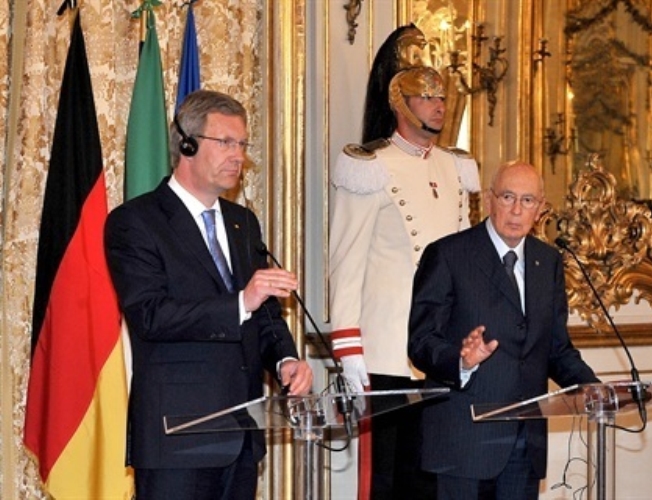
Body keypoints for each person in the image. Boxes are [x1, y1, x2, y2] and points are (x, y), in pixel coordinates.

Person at [104, 89, 313, 499]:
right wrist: (240, 302)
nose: (238, 156)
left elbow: (264, 313)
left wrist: (285, 360)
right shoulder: (136, 221)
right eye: (226, 142)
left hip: (241, 437)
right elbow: (150, 315)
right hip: (177, 439)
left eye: (242, 144)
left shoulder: (243, 223)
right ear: (187, 145)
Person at [329, 65, 480, 499]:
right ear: (400, 104)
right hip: (386, 350)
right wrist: (348, 348)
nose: (438, 106)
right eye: (426, 97)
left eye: (441, 97)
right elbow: (346, 260)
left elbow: (466, 262)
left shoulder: (456, 165)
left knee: (433, 474)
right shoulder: (370, 165)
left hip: (442, 348)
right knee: (385, 478)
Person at [408, 160, 599, 499]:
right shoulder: (448, 255)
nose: (516, 210)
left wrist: (593, 388)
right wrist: (461, 361)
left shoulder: (548, 261)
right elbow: (421, 342)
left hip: (525, 443)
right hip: (463, 443)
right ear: (489, 199)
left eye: (528, 200)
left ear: (540, 209)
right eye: (508, 197)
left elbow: (555, 348)